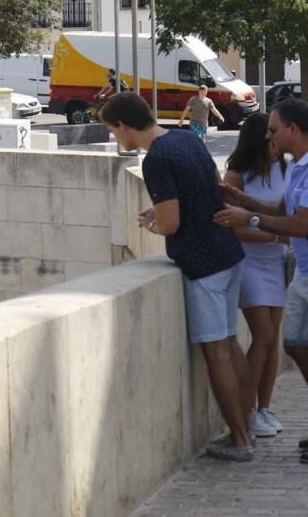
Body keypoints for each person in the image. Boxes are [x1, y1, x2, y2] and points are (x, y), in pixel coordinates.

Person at [100, 93, 252, 462]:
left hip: (203, 264)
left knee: (216, 352)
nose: (115, 137)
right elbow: (211, 187)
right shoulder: (186, 139)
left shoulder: (156, 159)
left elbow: (171, 224)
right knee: (232, 345)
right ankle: (249, 423)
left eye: (112, 129)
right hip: (228, 253)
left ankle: (240, 439)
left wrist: (153, 221)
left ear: (123, 126)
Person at [214, 98, 308, 463]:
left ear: (293, 129)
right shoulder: (298, 165)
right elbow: (284, 210)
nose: (269, 135)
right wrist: (243, 200)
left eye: (273, 128)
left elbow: (299, 224)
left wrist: (249, 220)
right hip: (307, 272)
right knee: (295, 345)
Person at [224, 114, 290, 437]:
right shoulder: (236, 176)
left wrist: (279, 236)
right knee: (262, 336)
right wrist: (277, 235)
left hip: (276, 263)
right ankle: (245, 412)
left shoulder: (284, 168)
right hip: (249, 264)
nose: (276, 144)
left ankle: (264, 408)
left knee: (272, 338)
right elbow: (233, 227)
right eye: (271, 137)